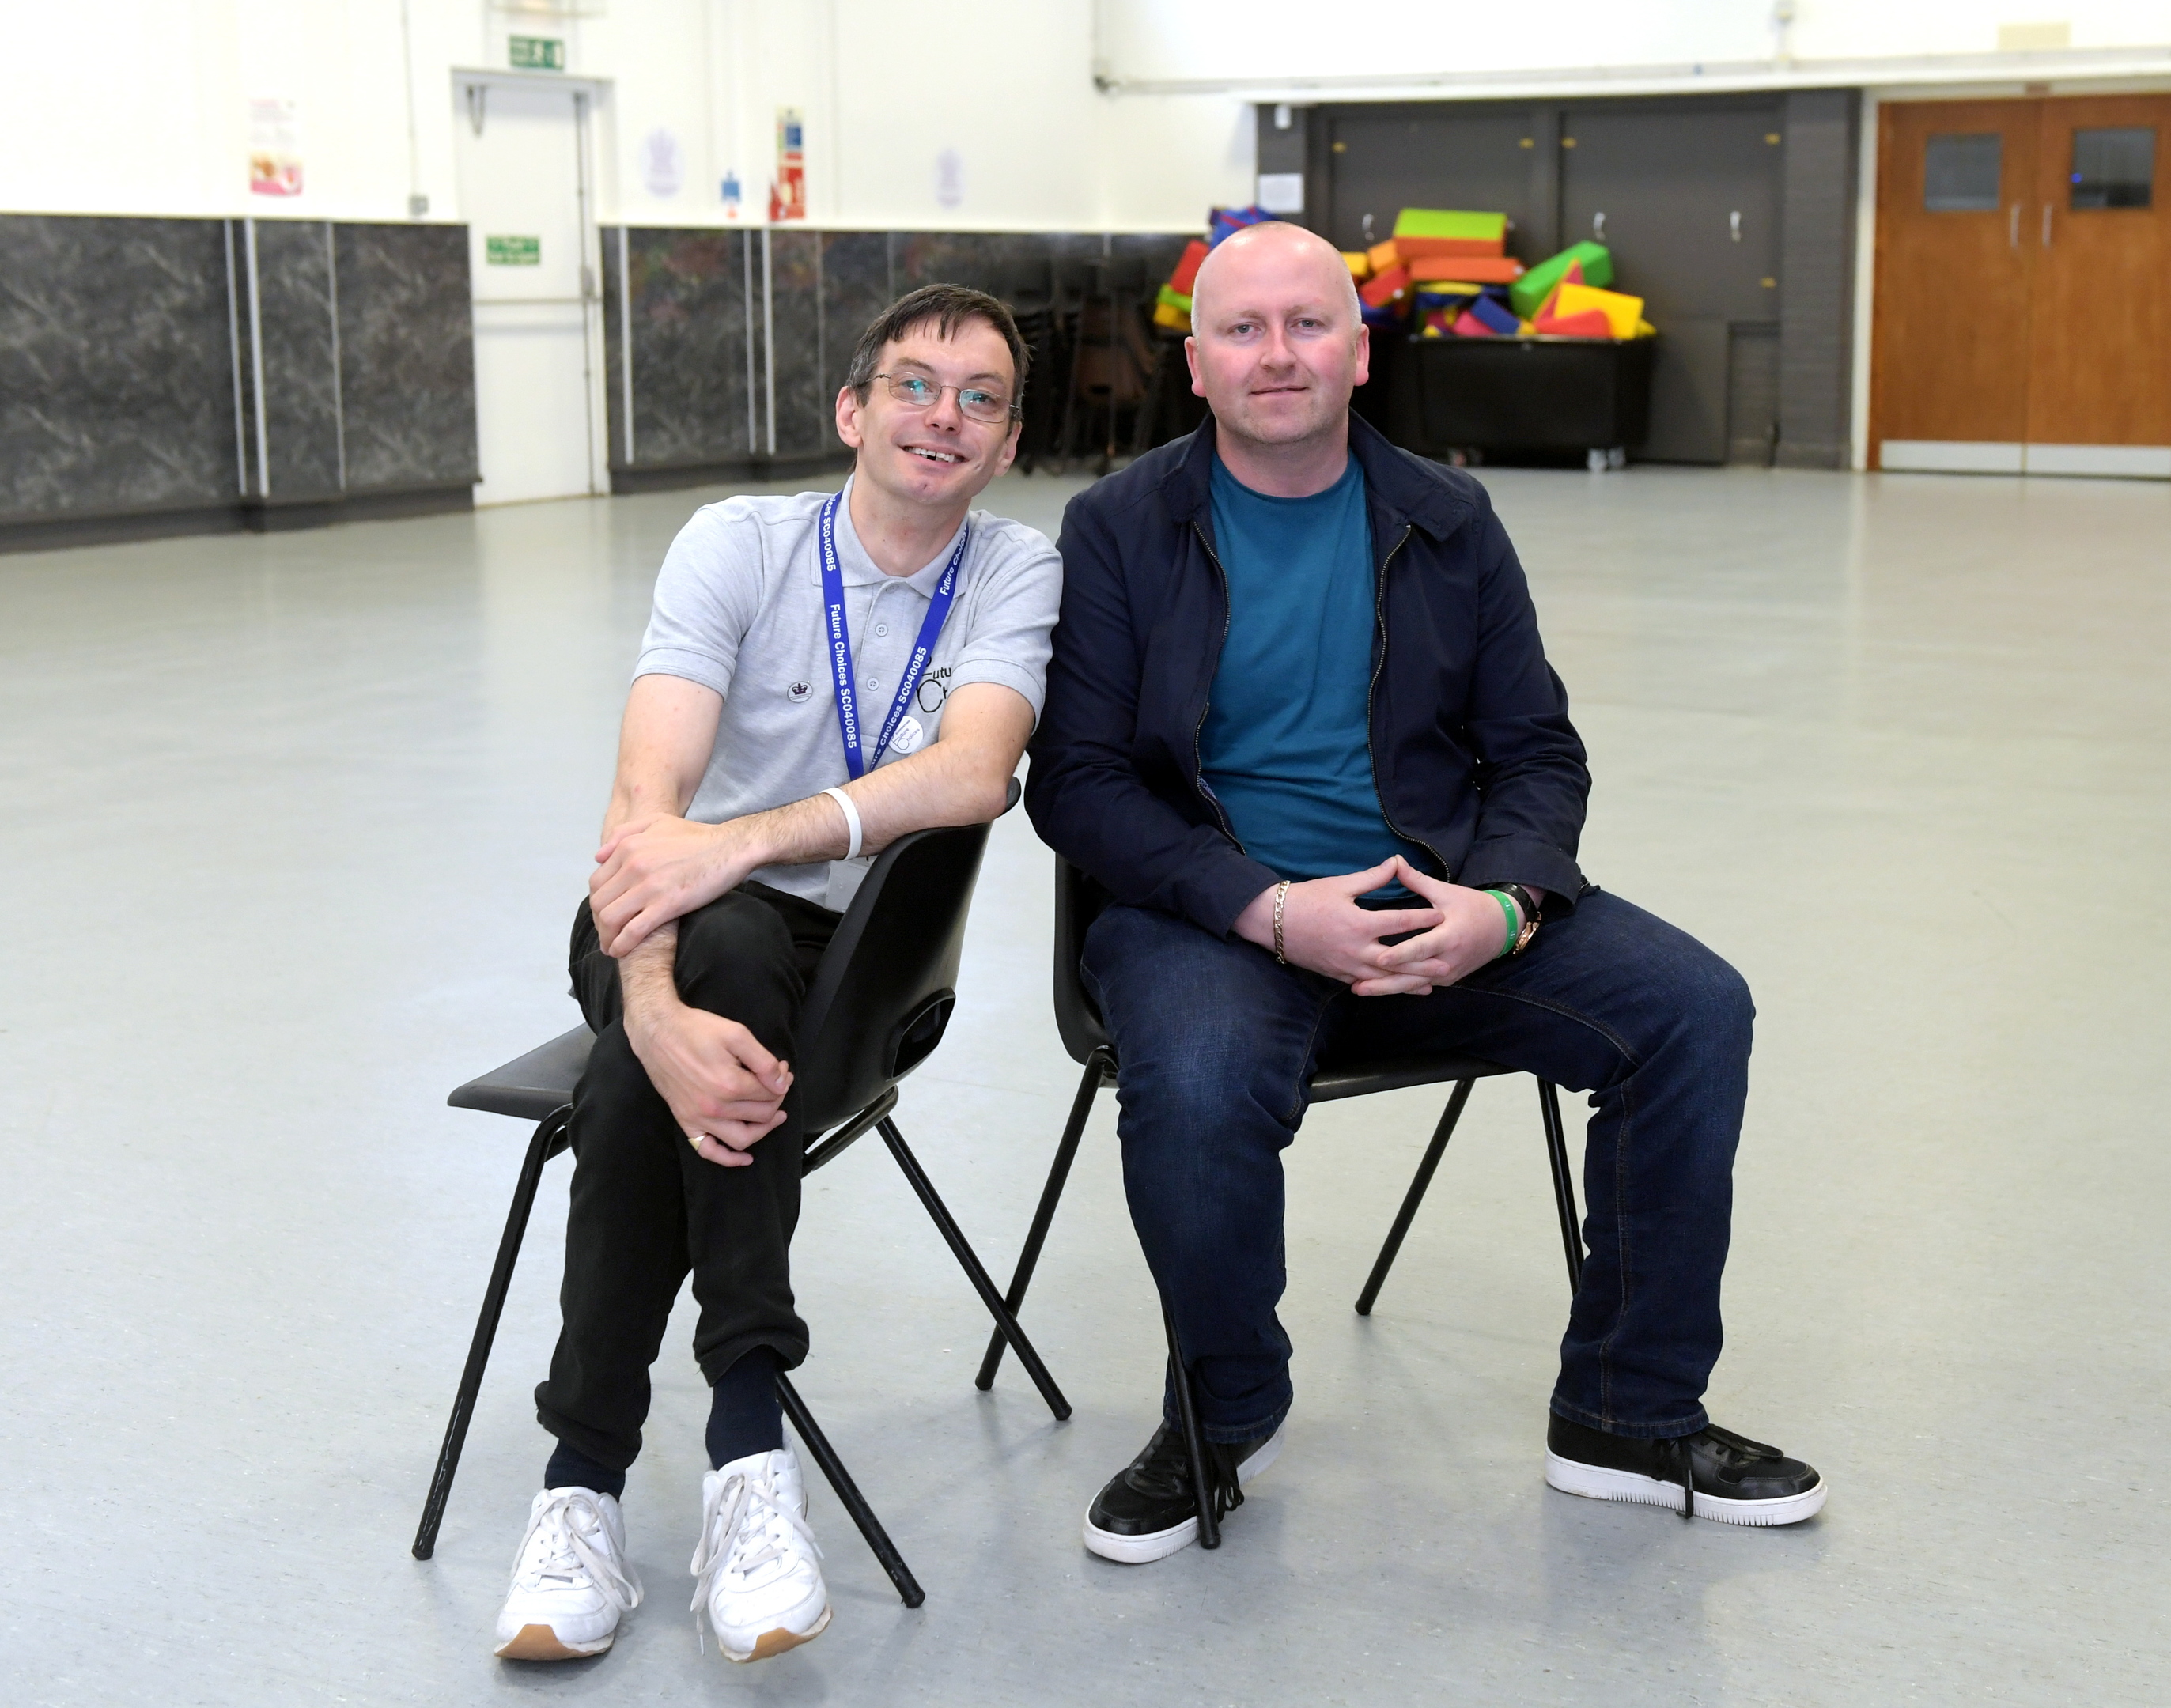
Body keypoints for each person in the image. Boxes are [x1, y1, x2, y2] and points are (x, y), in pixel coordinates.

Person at [1023, 223, 1825, 1566]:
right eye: (1242, 329)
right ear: (1196, 364)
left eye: (1307, 324)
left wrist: (1500, 907)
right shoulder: (1117, 528)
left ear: (1361, 351)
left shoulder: (1448, 518)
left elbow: (1534, 754)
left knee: (1693, 1010)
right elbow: (1083, 786)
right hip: (1213, 921)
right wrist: (1267, 911)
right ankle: (1223, 1412)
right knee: (1201, 1088)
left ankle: (1627, 1415)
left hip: (1435, 903)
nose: (1276, 353)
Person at [492, 284, 1061, 1662]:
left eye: (978, 398)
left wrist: (730, 849)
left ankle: (583, 1482)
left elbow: (975, 771)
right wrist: (651, 1007)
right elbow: (646, 795)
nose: (944, 415)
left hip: (856, 959)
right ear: (852, 411)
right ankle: (748, 1452)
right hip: (657, 919)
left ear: (1004, 444)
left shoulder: (1013, 571)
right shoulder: (736, 543)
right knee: (700, 983)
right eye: (915, 385)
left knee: (714, 970)